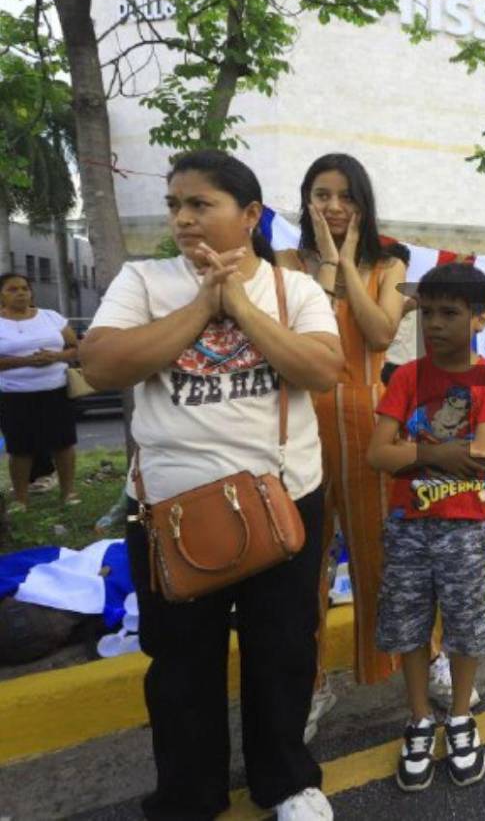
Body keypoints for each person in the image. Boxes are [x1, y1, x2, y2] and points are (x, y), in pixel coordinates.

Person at [80, 150, 342, 820]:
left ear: (250, 215)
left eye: (201, 204)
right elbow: (104, 364)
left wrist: (242, 309)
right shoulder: (143, 280)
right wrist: (202, 304)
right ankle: (189, 796)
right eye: (175, 205)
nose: (183, 218)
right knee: (179, 666)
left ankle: (285, 783)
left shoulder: (295, 290)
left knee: (282, 651)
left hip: (282, 500)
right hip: (171, 511)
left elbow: (321, 369)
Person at [367, 262, 485, 791]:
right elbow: (376, 454)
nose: (434, 324)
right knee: (407, 626)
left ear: (480, 319)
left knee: (467, 626)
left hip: (464, 530)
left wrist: (419, 454)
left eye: (449, 313)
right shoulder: (406, 377)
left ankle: (458, 718)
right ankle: (418, 720)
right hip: (407, 527)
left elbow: (482, 453)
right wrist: (444, 453)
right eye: (426, 312)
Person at [277, 154, 408, 736]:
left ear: (363, 204)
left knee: (385, 554)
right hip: (297, 428)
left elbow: (380, 332)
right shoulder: (282, 263)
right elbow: (305, 334)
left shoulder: (390, 261)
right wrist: (325, 265)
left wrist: (347, 263)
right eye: (321, 194)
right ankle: (310, 685)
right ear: (306, 200)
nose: (333, 206)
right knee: (302, 567)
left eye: (345, 196)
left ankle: (413, 668)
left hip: (368, 423)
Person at [0, 273, 79, 512]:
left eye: (25, 288)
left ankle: (68, 493)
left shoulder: (51, 317)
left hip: (55, 390)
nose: (21, 293)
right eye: (13, 289)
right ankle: (21, 499)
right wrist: (25, 362)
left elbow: (76, 348)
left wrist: (55, 356)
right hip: (14, 395)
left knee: (63, 444)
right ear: (1, 295)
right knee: (20, 448)